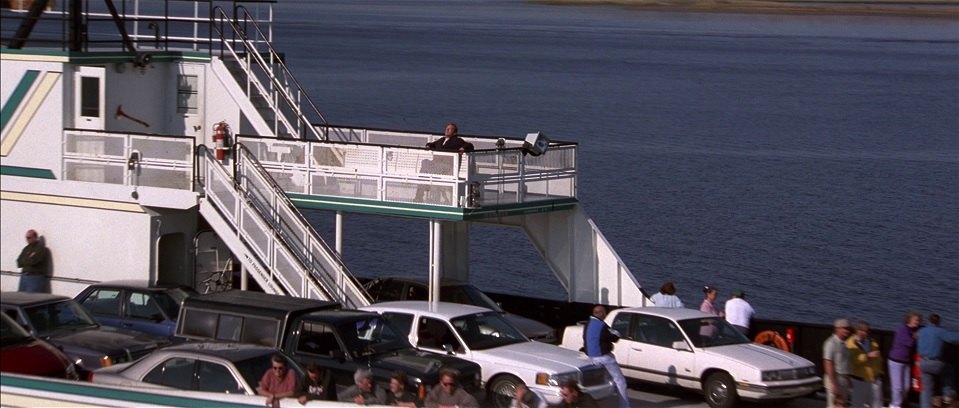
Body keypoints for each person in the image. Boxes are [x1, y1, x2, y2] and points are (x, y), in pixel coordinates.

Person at [582, 305, 628, 408]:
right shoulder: (602, 325)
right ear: (601, 313)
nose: (605, 315)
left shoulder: (587, 325)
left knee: (594, 382)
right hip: (604, 358)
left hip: (591, 358)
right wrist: (616, 333)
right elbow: (615, 337)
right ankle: (624, 406)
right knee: (620, 381)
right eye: (605, 313)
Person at [415, 122, 474, 202]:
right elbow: (431, 144)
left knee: (430, 170)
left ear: (454, 132)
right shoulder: (442, 140)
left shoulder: (457, 140)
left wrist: (463, 148)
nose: (446, 130)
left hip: (448, 167)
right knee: (425, 163)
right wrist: (428, 146)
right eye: (446, 129)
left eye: (449, 129)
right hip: (436, 166)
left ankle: (431, 195)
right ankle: (419, 195)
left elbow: (470, 145)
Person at [917, 313, 959, 408]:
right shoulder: (940, 331)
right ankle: (948, 395)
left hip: (923, 363)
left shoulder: (922, 331)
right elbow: (954, 338)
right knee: (948, 370)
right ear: (939, 322)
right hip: (936, 363)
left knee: (926, 389)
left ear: (928, 321)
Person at [887, 311, 922, 408]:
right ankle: (895, 405)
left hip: (906, 361)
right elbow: (909, 343)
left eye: (919, 320)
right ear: (909, 319)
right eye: (916, 320)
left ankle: (900, 403)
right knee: (897, 386)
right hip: (896, 361)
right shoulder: (903, 330)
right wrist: (915, 337)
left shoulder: (915, 330)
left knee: (906, 386)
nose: (917, 322)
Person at [846, 320, 883, 408]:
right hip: (859, 380)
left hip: (874, 379)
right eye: (862, 330)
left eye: (866, 331)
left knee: (877, 405)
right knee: (857, 405)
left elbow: (879, 359)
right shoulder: (850, 344)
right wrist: (867, 356)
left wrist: (880, 373)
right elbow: (853, 361)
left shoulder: (872, 341)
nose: (864, 333)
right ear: (857, 330)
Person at [824, 318, 853, 408]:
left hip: (844, 379)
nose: (847, 331)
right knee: (833, 405)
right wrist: (833, 384)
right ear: (837, 328)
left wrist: (848, 379)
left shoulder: (845, 343)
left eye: (848, 329)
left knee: (843, 405)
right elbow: (828, 363)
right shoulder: (831, 343)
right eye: (844, 328)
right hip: (835, 378)